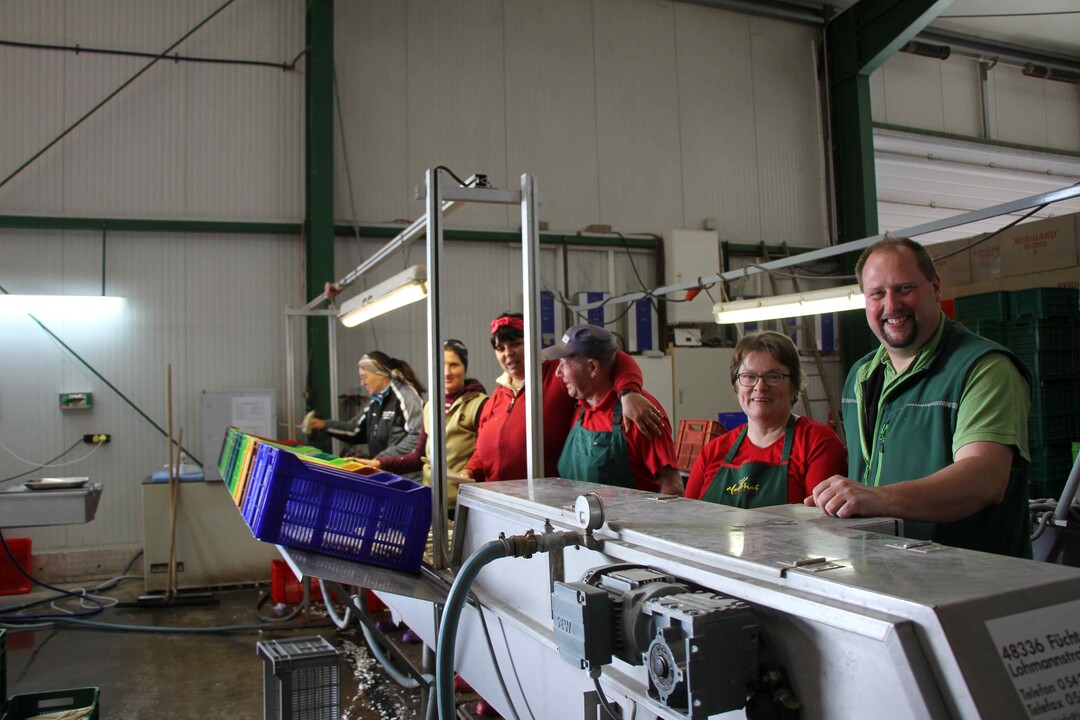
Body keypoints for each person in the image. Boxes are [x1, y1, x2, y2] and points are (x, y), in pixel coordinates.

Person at [804, 236, 1033, 558]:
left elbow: (984, 478)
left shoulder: (983, 368)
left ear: (936, 288)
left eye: (904, 288)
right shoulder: (861, 375)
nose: (891, 305)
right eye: (877, 294)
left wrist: (876, 497)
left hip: (975, 581)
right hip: (889, 572)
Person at [460, 313, 666, 483]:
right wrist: (471, 469)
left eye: (515, 344)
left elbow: (613, 357)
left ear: (532, 343)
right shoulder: (497, 395)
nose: (508, 354)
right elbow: (483, 447)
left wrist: (628, 391)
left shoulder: (557, 376)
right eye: (500, 348)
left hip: (542, 502)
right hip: (499, 500)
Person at [684, 331, 846, 508]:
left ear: (794, 386)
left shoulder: (816, 442)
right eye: (749, 376)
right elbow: (690, 521)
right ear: (736, 386)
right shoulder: (713, 452)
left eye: (774, 376)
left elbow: (822, 526)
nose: (760, 387)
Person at [544, 323, 684, 496]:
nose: (558, 373)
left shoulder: (639, 413)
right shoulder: (580, 406)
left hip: (627, 522)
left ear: (592, 367)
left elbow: (673, 486)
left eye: (564, 364)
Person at [358, 340, 487, 510]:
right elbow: (418, 457)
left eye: (454, 365)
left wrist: (469, 473)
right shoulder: (429, 407)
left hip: (463, 504)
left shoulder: (480, 404)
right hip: (432, 501)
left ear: (465, 368)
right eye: (441, 365)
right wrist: (379, 464)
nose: (447, 372)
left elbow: (483, 455)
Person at [306, 351, 425, 460]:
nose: (362, 383)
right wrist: (323, 425)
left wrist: (379, 460)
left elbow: (418, 438)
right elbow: (357, 431)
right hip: (385, 471)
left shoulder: (406, 396)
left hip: (407, 478)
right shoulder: (375, 401)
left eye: (364, 377)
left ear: (381, 373)